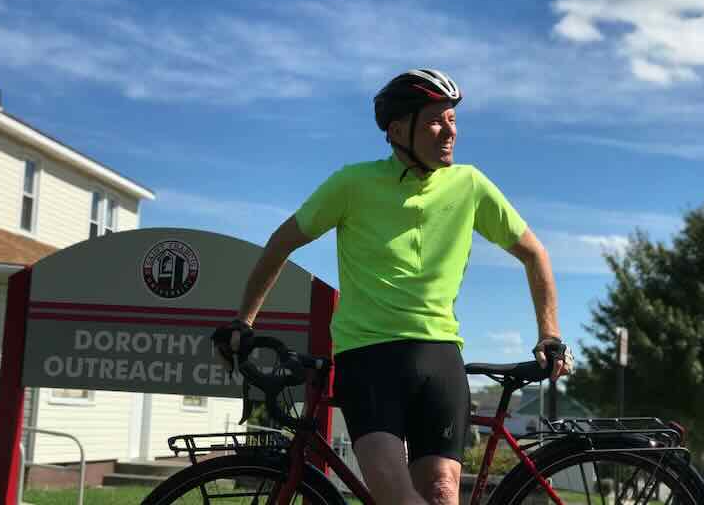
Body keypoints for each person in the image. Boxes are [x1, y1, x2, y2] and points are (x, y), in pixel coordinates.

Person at [213, 69, 574, 505]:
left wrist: (549, 333)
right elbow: (281, 243)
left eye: (453, 120)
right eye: (436, 121)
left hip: (440, 354)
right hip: (369, 356)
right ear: (399, 130)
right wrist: (243, 320)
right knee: (395, 497)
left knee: (442, 493)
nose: (449, 132)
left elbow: (535, 253)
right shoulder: (352, 184)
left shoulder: (470, 185)